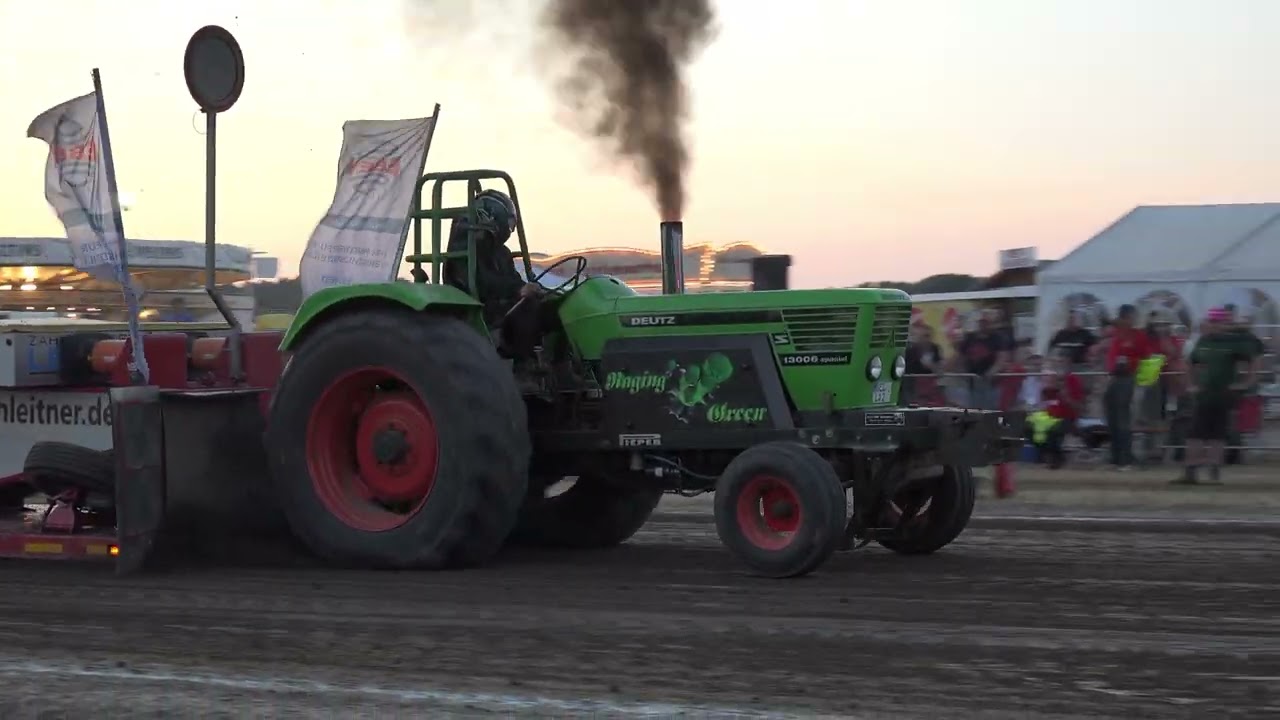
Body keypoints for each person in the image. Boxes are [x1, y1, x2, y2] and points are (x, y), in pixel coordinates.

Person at [441, 189, 546, 357]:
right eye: (509, 223)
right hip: (480, 310)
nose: (510, 229)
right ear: (494, 217)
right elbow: (480, 282)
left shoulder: (501, 252)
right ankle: (522, 369)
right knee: (527, 313)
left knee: (551, 307)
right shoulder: (462, 252)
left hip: (499, 305)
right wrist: (517, 291)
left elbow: (513, 280)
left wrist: (529, 288)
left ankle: (563, 365)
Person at [1177, 308, 1256, 485]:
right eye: (1212, 321)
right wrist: (1191, 385)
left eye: (1218, 322)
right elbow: (1190, 362)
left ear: (1224, 324)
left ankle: (1214, 471)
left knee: (1217, 435)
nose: (1214, 325)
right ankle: (1191, 472)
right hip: (1203, 395)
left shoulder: (1234, 343)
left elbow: (1253, 360)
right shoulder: (1203, 341)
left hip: (1223, 395)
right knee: (1195, 434)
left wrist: (1246, 382)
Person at [1103, 304, 1152, 470]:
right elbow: (1110, 357)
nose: (1133, 320)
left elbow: (1147, 358)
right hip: (1113, 378)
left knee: (1123, 419)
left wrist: (1134, 367)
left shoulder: (1138, 336)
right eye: (1131, 317)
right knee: (1112, 419)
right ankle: (1115, 458)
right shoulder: (1116, 335)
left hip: (1129, 378)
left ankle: (1126, 459)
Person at [1025, 354, 1086, 469]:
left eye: (1061, 362)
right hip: (1048, 417)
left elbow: (1079, 406)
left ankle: (1056, 458)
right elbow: (1043, 404)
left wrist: (1065, 394)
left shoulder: (1073, 380)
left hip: (1067, 417)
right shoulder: (1049, 380)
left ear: (1068, 364)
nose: (1058, 365)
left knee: (1053, 430)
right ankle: (1048, 455)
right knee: (1028, 426)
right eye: (1056, 362)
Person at [956, 311, 1012, 410]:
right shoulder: (969, 338)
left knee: (991, 410)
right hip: (973, 381)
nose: (983, 325)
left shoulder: (998, 338)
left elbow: (1002, 358)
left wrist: (992, 372)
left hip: (992, 382)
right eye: (981, 322)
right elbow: (960, 357)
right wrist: (963, 374)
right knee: (974, 409)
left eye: (986, 322)